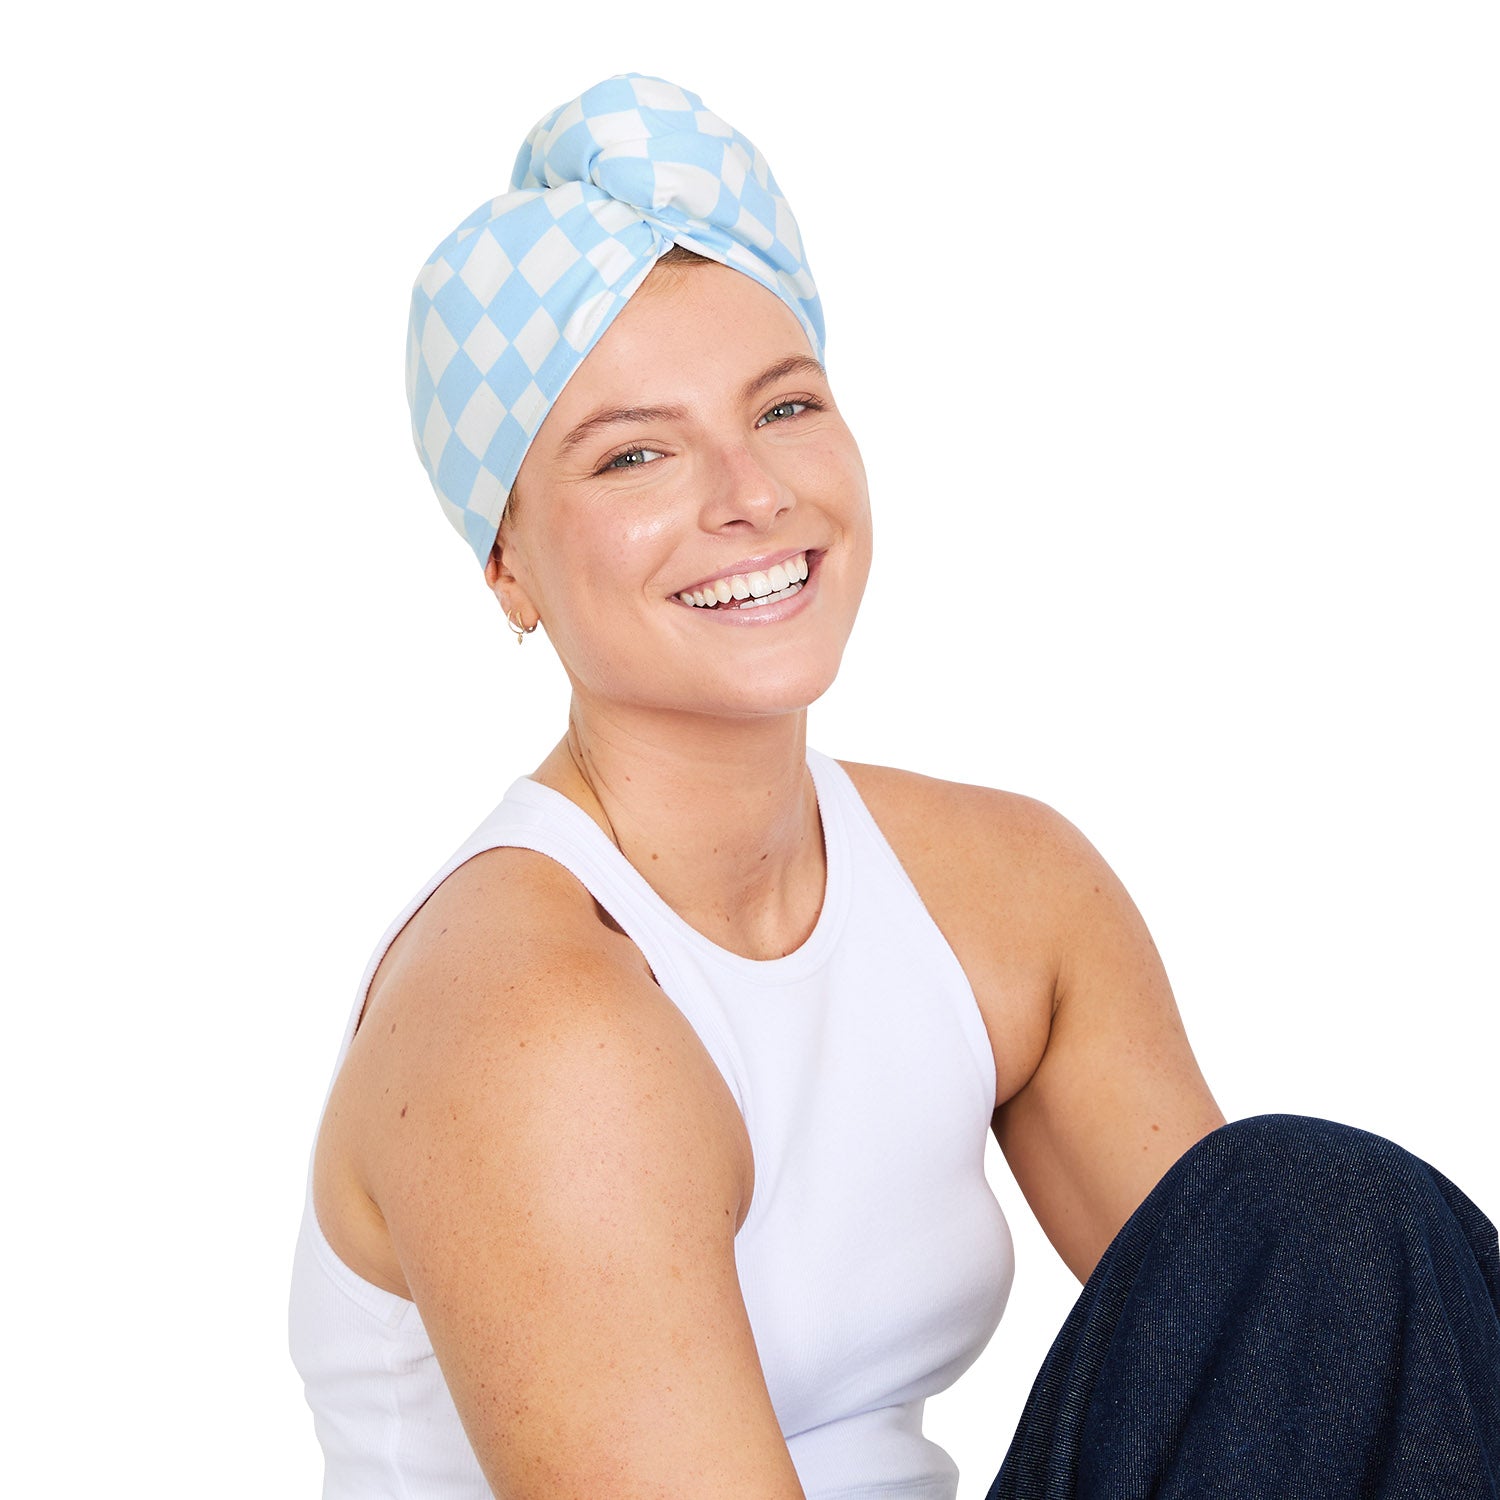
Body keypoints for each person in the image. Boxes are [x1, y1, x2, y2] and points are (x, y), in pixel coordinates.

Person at [290, 74, 1500, 1499]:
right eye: (635, 453)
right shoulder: (531, 1022)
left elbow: (1298, 1359)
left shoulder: (1007, 893)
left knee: (1328, 1221)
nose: (752, 493)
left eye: (785, 406)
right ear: (507, 565)